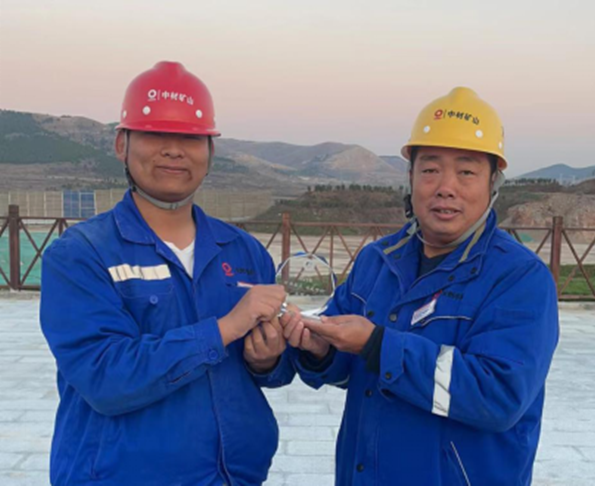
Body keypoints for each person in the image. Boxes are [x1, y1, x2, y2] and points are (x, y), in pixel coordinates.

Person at [283, 87, 559, 485]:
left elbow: (498, 396)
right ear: (410, 179)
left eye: (466, 172)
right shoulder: (377, 260)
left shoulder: (519, 278)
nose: (446, 186)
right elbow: (350, 366)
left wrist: (378, 344)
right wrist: (319, 349)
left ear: (493, 184)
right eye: (430, 169)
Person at [40, 61, 294, 486]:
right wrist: (226, 328)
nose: (174, 150)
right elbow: (103, 377)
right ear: (121, 144)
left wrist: (268, 359)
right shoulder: (81, 255)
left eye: (191, 138)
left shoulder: (244, 251)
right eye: (155, 133)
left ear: (210, 151)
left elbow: (275, 373)